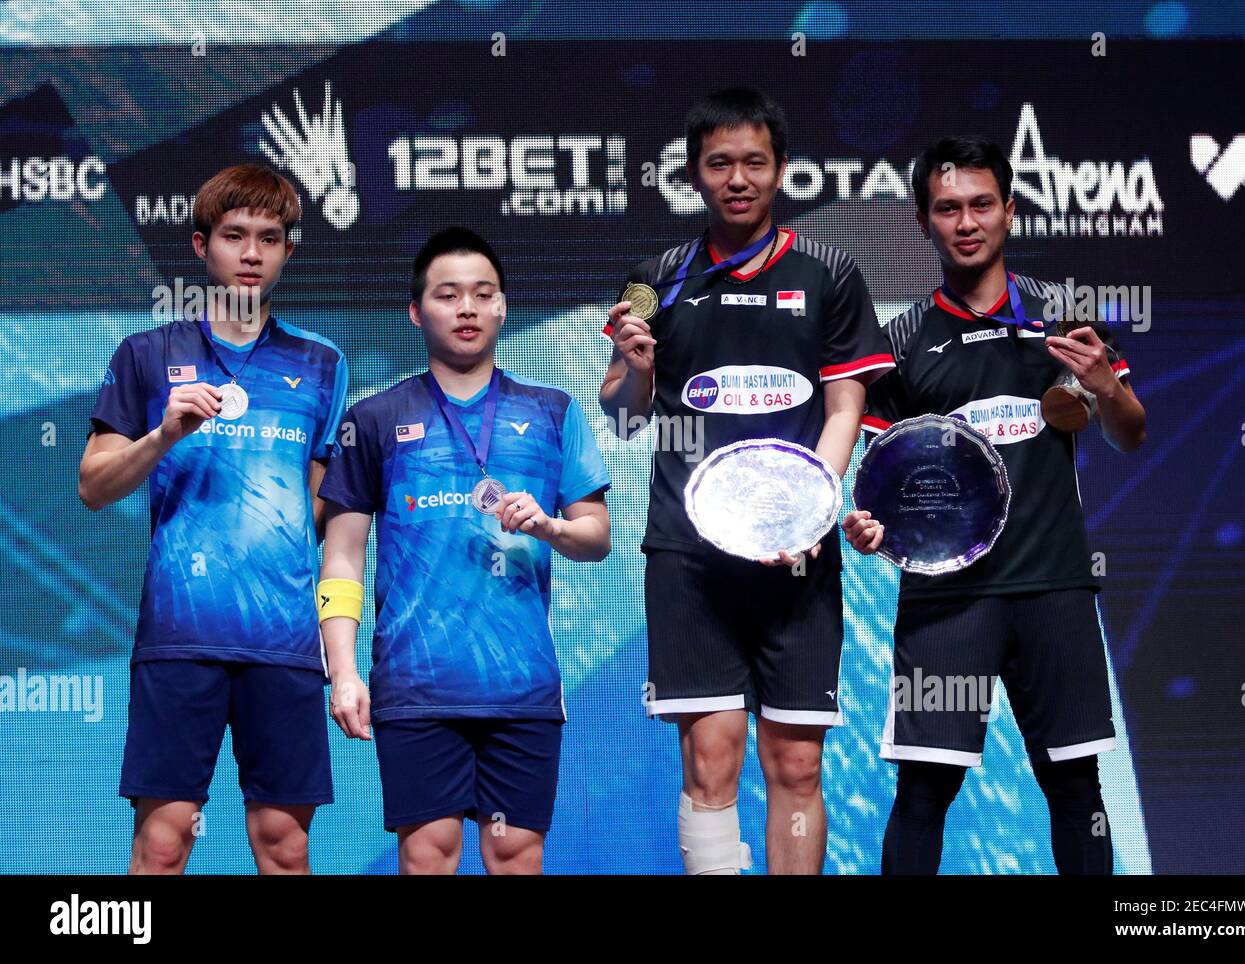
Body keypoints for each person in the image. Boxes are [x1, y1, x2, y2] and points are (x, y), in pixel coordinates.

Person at [599, 87, 895, 874]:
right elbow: (623, 414)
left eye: (754, 162)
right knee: (711, 761)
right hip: (688, 557)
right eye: (719, 163)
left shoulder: (830, 273)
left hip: (796, 559)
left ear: (782, 170)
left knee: (796, 766)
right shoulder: (654, 277)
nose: (738, 178)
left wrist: (803, 516)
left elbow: (846, 404)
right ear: (693, 173)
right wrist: (633, 367)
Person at [843, 135, 1147, 874]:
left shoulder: (1063, 316)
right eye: (948, 208)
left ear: (1010, 211)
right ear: (924, 222)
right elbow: (884, 482)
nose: (967, 221)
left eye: (982, 204)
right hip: (948, 603)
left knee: (1077, 787)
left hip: (1054, 589)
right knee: (922, 792)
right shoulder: (905, 340)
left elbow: (1131, 434)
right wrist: (871, 528)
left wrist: (1105, 383)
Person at [78, 163, 349, 874]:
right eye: (234, 236)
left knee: (285, 847)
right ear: (202, 247)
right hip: (179, 639)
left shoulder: (322, 363)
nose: (252, 253)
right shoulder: (145, 356)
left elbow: (321, 503)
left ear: (289, 250)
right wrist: (163, 435)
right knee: (164, 844)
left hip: (284, 643)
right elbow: (94, 487)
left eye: (269, 237)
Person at [318, 227, 611, 874]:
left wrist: (551, 528)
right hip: (417, 688)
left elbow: (596, 537)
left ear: (504, 307)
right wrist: (342, 672)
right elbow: (341, 556)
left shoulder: (552, 411)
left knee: (514, 854)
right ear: (417, 312)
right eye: (448, 296)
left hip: (522, 688)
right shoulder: (374, 420)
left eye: (483, 294)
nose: (468, 309)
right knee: (429, 855)